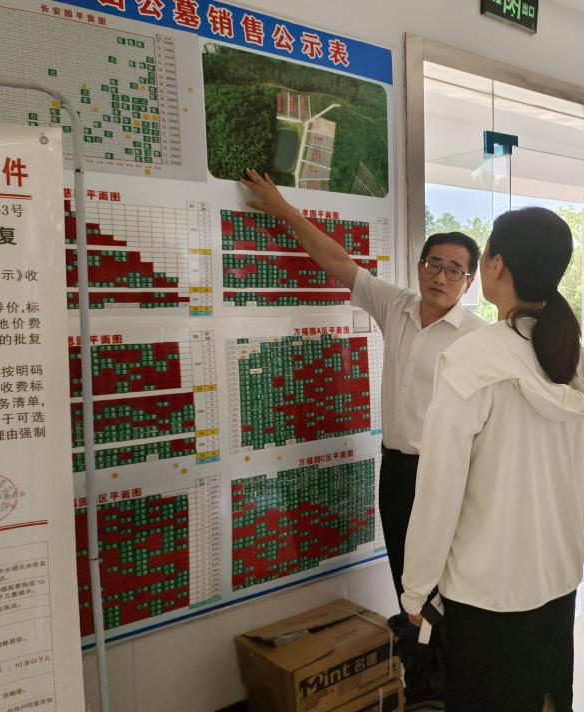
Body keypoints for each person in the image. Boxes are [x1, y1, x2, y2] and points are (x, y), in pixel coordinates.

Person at [239, 169, 485, 706]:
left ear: (469, 282)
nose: (441, 276)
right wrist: (282, 208)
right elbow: (335, 260)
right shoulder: (396, 305)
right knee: (405, 578)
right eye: (434, 264)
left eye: (454, 270)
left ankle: (451, 685)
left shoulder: (478, 339)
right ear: (420, 267)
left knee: (444, 585)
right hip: (395, 469)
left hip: (446, 477)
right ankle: (421, 681)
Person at [400, 206, 584, 712]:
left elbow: (438, 492)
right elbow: (577, 481)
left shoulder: (472, 360)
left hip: (486, 593)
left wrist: (417, 589)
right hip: (558, 576)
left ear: (496, 264)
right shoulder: (573, 360)